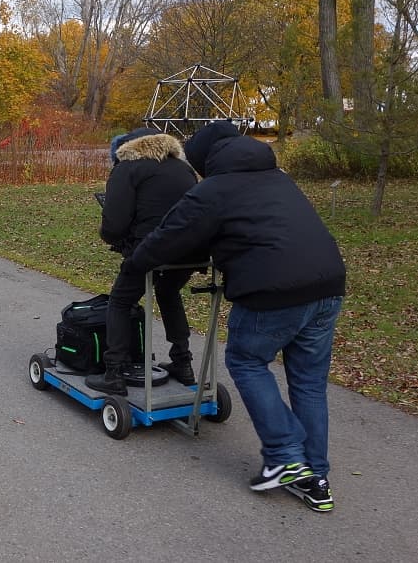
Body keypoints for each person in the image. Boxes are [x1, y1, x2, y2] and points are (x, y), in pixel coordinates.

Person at [122, 120, 346, 513]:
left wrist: (135, 263)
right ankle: (315, 477)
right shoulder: (277, 177)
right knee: (309, 384)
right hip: (327, 287)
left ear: (205, 161)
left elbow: (171, 234)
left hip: (273, 290)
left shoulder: (214, 189)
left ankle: (284, 455)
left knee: (246, 359)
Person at [84, 127, 200, 396]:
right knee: (168, 291)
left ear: (128, 147)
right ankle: (183, 362)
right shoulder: (183, 168)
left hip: (151, 247)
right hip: (191, 249)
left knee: (121, 301)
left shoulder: (127, 168)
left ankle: (113, 371)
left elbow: (114, 224)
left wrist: (116, 238)